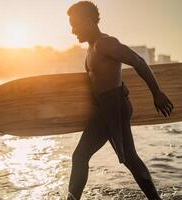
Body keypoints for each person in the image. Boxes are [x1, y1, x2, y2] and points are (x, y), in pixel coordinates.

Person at [66, 1, 174, 200]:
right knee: (126, 159)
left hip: (115, 107)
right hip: (104, 110)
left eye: (74, 23)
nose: (72, 30)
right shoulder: (90, 49)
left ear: (88, 20)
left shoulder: (105, 43)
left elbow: (138, 61)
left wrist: (156, 92)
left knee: (84, 156)